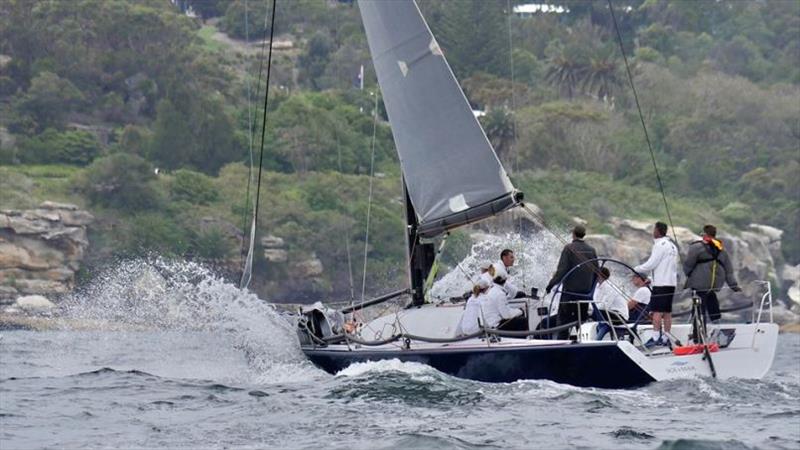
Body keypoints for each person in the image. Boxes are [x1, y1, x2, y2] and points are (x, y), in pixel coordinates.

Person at [545, 225, 598, 339]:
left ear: (573, 234)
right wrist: (589, 289)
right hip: (585, 295)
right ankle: (586, 345)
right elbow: (596, 272)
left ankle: (561, 347)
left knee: (563, 323)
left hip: (569, 294)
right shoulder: (592, 250)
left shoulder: (568, 248)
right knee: (582, 323)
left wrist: (550, 285)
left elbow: (561, 271)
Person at [683, 224, 741, 324]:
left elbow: (688, 264)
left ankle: (698, 333)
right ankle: (718, 328)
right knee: (712, 304)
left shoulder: (696, 247)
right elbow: (729, 270)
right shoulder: (721, 249)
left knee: (698, 309)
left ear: (704, 234)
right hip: (713, 286)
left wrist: (688, 275)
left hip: (699, 286)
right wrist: (734, 286)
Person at [634, 221, 679, 348]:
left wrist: (637, 269)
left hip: (661, 284)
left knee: (657, 312)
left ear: (658, 231)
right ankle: (666, 338)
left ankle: (655, 338)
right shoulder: (672, 246)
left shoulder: (660, 245)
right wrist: (650, 279)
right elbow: (666, 266)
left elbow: (652, 264)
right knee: (667, 312)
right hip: (671, 283)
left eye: (654, 229)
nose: (653, 232)